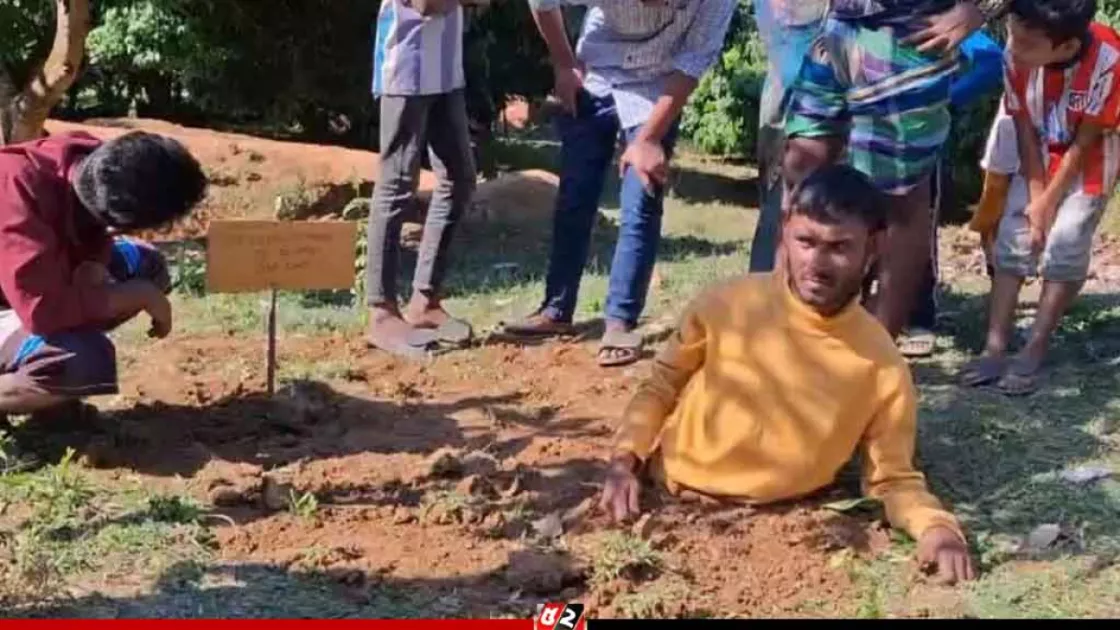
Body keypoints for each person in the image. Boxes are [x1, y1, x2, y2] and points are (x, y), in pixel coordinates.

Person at [600, 164, 975, 585]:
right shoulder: (725, 304)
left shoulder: (881, 364)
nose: (817, 263)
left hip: (779, 532)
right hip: (666, 498)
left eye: (839, 247)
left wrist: (937, 528)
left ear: (874, 247)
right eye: (805, 241)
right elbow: (661, 387)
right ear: (784, 233)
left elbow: (892, 478)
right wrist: (624, 462)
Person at [502, 0, 737, 368]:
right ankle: (555, 310)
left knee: (641, 196)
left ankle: (620, 322)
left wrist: (649, 139)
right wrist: (563, 64)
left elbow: (693, 62)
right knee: (575, 196)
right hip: (597, 72)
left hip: (658, 86)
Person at [782, 0, 1015, 340]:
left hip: (910, 35)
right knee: (801, 166)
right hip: (839, 26)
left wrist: (981, 9)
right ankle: (789, 326)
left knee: (899, 199)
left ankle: (875, 346)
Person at [961, 0, 1119, 396]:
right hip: (1037, 150)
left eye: (1027, 44)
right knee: (1013, 238)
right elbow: (1024, 128)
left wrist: (1050, 203)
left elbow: (1086, 140)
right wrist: (1036, 196)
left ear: (1066, 47)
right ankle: (995, 345)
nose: (1014, 49)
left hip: (1089, 159)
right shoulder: (1018, 49)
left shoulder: (1109, 59)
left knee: (1065, 243)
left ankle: (1035, 346)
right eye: (1012, 35)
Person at [0, 130, 206, 417]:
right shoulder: (13, 192)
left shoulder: (92, 160)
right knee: (84, 359)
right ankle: (44, 374)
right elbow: (42, 311)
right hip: (26, 300)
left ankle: (52, 387)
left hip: (34, 280)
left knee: (147, 265)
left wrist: (94, 263)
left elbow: (96, 229)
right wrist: (137, 295)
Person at [366, 0, 480, 360]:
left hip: (446, 73)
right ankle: (382, 311)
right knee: (397, 185)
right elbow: (426, 3)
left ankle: (425, 301)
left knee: (459, 179)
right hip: (406, 67)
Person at [898, 29, 1005, 358]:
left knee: (916, 229)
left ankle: (918, 318)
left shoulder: (930, 13)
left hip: (920, 148)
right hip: (858, 142)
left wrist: (946, 97)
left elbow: (991, 60)